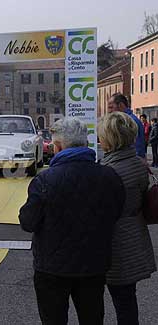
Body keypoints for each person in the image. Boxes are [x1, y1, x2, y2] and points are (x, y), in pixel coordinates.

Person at [18, 118, 125, 325]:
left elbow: (28, 222)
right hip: (94, 264)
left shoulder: (44, 181)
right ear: (86, 144)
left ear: (57, 147)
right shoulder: (109, 176)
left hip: (52, 267)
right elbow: (116, 212)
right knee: (92, 318)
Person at [98, 112, 156, 325]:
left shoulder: (108, 171)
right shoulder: (138, 164)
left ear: (110, 139)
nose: (99, 140)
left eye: (101, 136)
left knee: (118, 300)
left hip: (116, 241)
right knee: (127, 299)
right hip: (135, 234)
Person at [107, 93, 146, 158]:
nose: (109, 111)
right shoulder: (126, 120)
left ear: (120, 105)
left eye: (111, 107)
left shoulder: (128, 122)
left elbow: (137, 146)